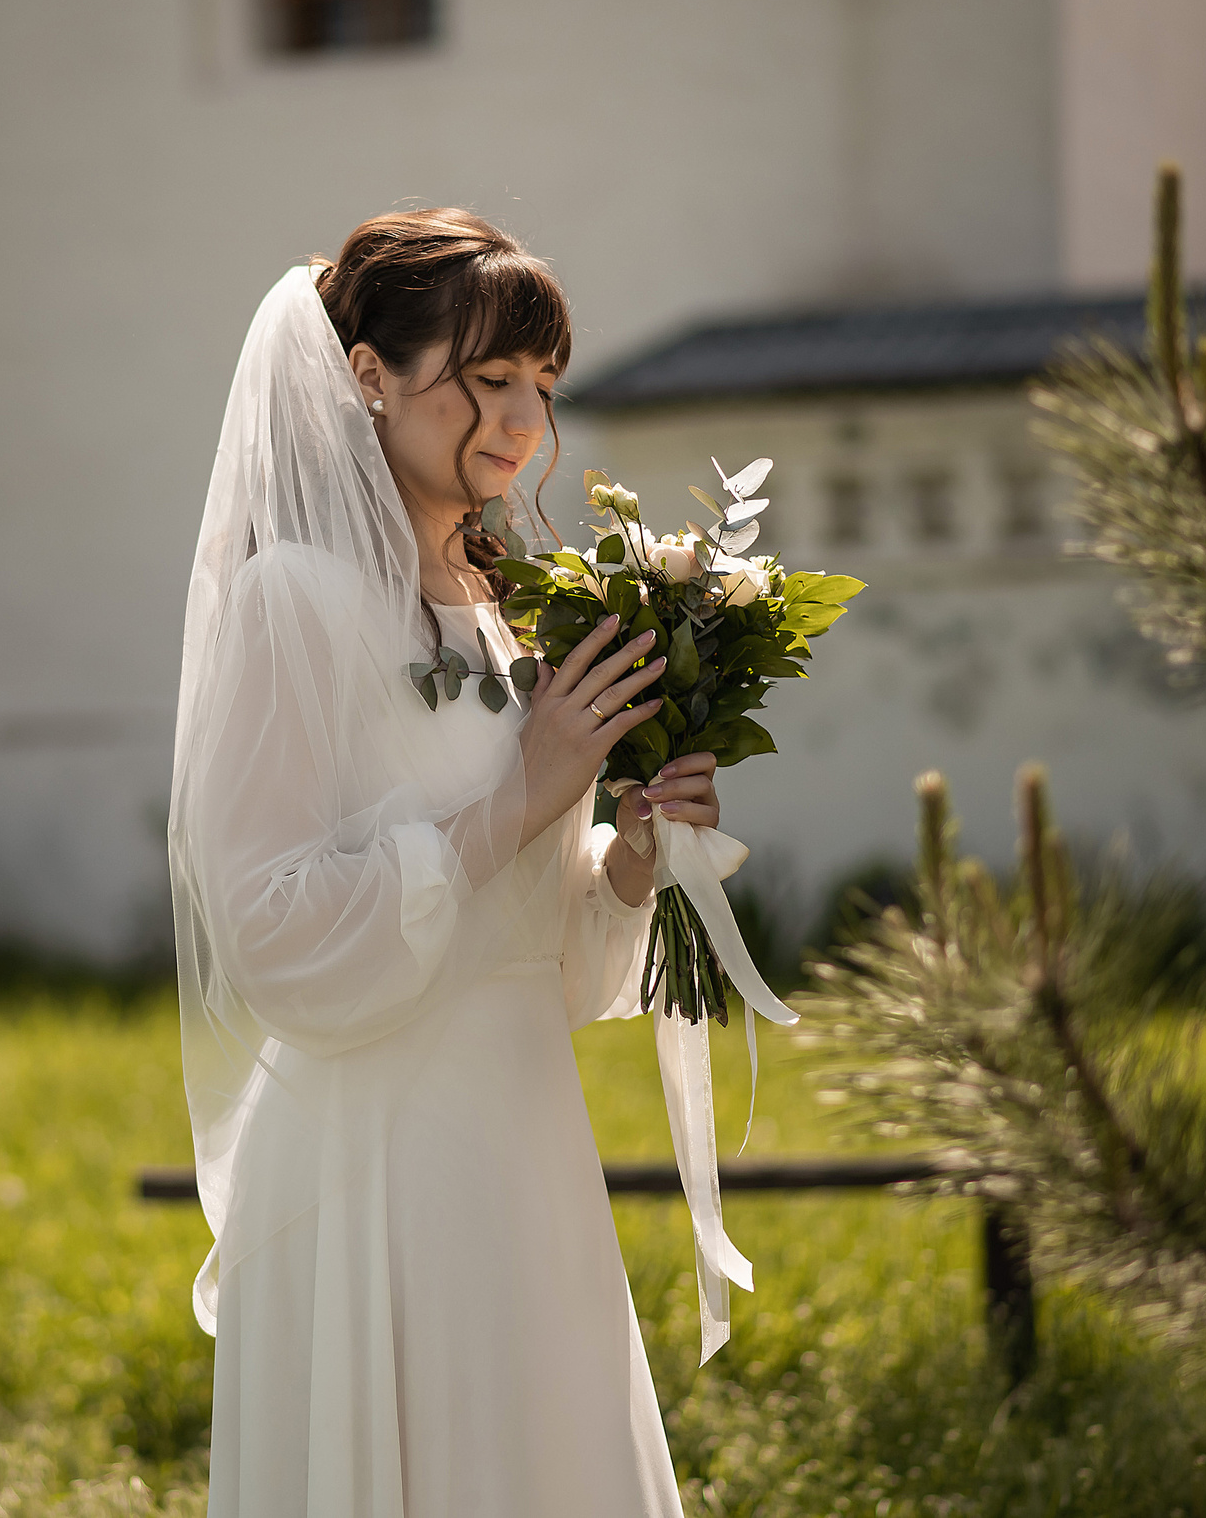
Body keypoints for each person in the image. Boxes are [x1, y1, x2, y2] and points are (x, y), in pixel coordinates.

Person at [169, 209, 726, 1516]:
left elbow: (540, 943)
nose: (522, 419)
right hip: (381, 1158)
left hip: (522, 1138)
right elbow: (274, 929)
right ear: (368, 374)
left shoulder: (508, 613)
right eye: (486, 379)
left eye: (542, 384)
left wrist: (630, 860)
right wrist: (526, 793)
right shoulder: (290, 602)